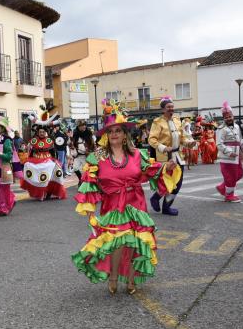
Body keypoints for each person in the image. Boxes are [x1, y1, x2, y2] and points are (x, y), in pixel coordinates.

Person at [71, 101, 179, 295]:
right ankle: (112, 277)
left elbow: (150, 170)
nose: (114, 134)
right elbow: (89, 182)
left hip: (135, 203)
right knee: (116, 243)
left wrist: (166, 167)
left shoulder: (137, 154)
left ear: (124, 134)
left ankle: (131, 279)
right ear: (106, 134)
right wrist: (89, 207)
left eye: (118, 131)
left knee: (134, 240)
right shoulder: (98, 157)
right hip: (112, 205)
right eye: (111, 131)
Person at [148, 97, 195, 216]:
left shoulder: (177, 120)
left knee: (177, 184)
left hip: (178, 156)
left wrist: (189, 143)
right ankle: (155, 198)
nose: (171, 109)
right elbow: (151, 140)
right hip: (165, 157)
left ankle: (166, 207)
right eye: (168, 107)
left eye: (172, 107)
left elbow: (181, 138)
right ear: (163, 109)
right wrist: (163, 148)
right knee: (166, 183)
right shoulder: (157, 122)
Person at [215, 102, 243, 202]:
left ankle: (222, 187)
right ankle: (229, 196)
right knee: (230, 177)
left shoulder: (236, 127)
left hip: (237, 156)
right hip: (227, 157)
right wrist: (229, 152)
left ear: (233, 116)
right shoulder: (221, 129)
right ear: (223, 118)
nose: (228, 118)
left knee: (239, 174)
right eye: (226, 117)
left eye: (230, 116)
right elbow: (219, 144)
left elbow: (240, 140)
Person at [0, 117, 23, 217]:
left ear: (3, 128)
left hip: (3, 168)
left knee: (2, 189)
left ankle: (3, 208)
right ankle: (10, 202)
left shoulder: (7, 140)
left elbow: (8, 156)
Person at [20, 126, 66, 201]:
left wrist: (55, 160)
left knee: (55, 171)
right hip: (36, 159)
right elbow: (31, 153)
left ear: (45, 133)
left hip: (48, 159)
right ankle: (40, 193)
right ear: (38, 133)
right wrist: (29, 160)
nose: (41, 133)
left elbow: (53, 152)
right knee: (28, 166)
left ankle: (49, 192)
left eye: (43, 132)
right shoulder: (34, 140)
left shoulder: (49, 140)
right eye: (40, 132)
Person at [72, 120, 95, 185]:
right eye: (82, 125)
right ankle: (80, 179)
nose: (84, 126)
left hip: (86, 155)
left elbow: (92, 143)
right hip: (78, 155)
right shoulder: (75, 133)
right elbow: (73, 143)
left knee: (86, 170)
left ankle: (88, 183)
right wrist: (72, 146)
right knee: (75, 168)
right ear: (78, 127)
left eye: (84, 125)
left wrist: (90, 151)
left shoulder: (88, 132)